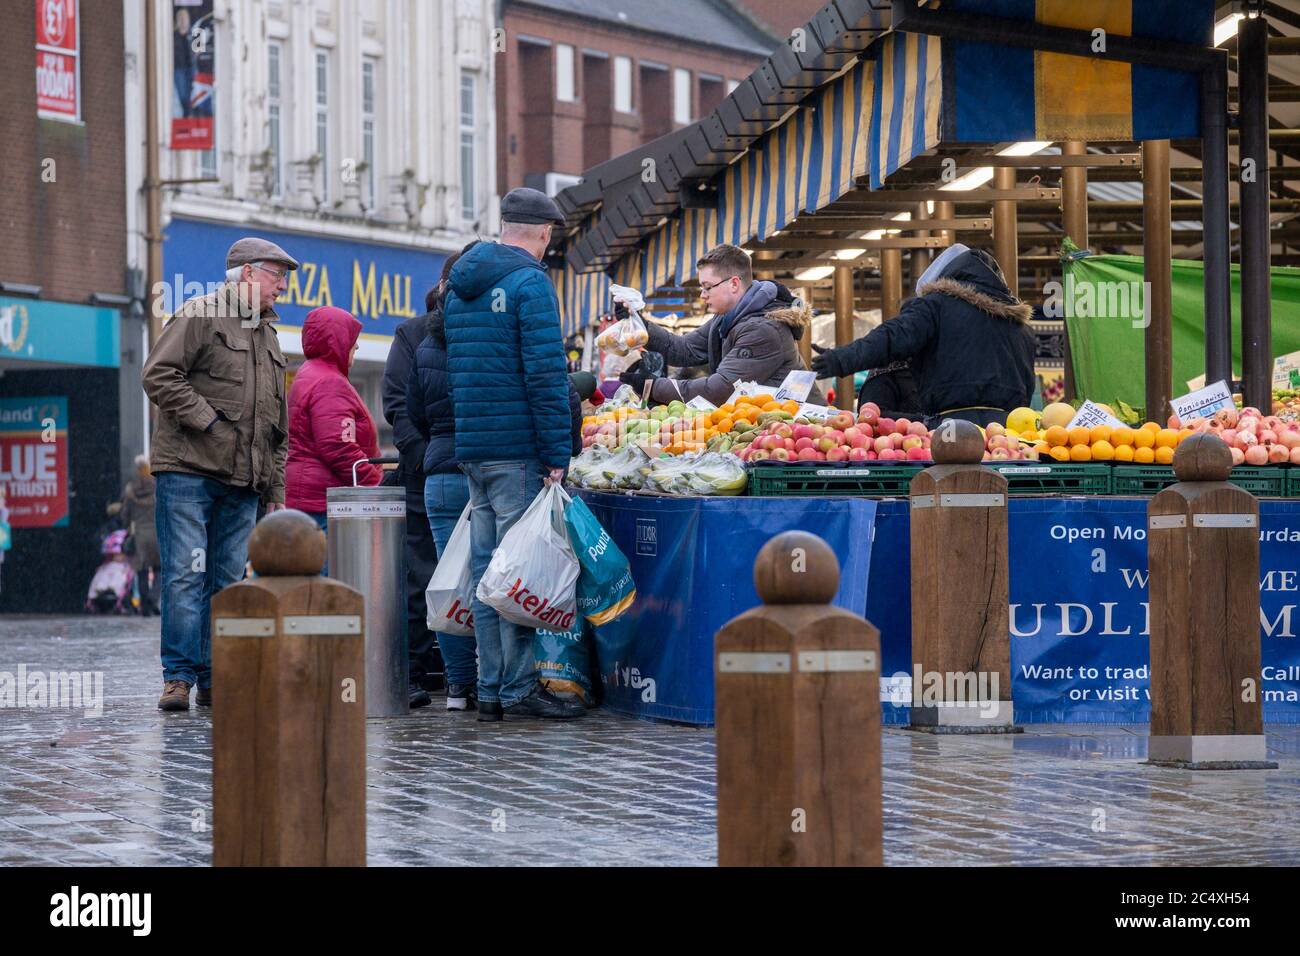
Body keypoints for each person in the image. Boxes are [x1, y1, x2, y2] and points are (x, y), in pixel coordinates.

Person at [442, 186, 584, 722]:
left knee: (486, 573)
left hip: (475, 448)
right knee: (517, 571)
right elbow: (546, 375)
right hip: (519, 451)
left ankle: (490, 689)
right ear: (543, 234)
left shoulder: (458, 286)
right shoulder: (530, 283)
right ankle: (520, 688)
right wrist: (556, 452)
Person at [143, 237, 295, 712]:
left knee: (228, 583)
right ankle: (179, 678)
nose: (283, 288)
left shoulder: (269, 336)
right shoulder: (199, 313)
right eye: (277, 276)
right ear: (247, 273)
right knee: (185, 577)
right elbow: (158, 374)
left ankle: (214, 677)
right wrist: (207, 421)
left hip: (243, 483)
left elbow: (277, 424)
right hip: (188, 471)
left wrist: (275, 487)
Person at [811, 246, 1036, 428]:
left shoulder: (936, 306)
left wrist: (842, 359)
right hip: (1009, 433)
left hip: (952, 429)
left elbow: (893, 337)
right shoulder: (1020, 326)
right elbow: (1028, 387)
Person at [407, 243, 481, 711]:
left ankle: (457, 686)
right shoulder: (490, 337)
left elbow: (412, 413)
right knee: (496, 577)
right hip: (483, 468)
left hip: (439, 475)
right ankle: (494, 682)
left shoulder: (426, 343)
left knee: (450, 582)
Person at [617, 243, 824, 406]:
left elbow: (720, 389)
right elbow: (684, 349)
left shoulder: (763, 329)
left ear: (734, 284)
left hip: (803, 429)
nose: (702, 294)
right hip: (774, 426)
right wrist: (639, 324)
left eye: (707, 287)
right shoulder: (727, 319)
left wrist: (653, 387)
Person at [383, 284, 454, 707]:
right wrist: (424, 457)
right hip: (423, 473)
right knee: (421, 574)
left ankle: (452, 670)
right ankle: (411, 668)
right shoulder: (410, 335)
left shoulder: (479, 332)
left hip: (462, 466)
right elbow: (398, 403)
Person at [285, 305, 384, 538]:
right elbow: (337, 445)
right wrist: (375, 483)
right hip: (323, 503)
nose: (356, 345)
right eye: (352, 338)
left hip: (308, 498)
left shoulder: (308, 373)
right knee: (326, 572)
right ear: (337, 340)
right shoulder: (329, 382)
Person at [119, 455, 161, 615]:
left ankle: (144, 606)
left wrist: (127, 524)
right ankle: (152, 598)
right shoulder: (157, 487)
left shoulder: (131, 490)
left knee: (142, 570)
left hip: (139, 536)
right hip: (157, 533)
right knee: (160, 570)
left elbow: (125, 515)